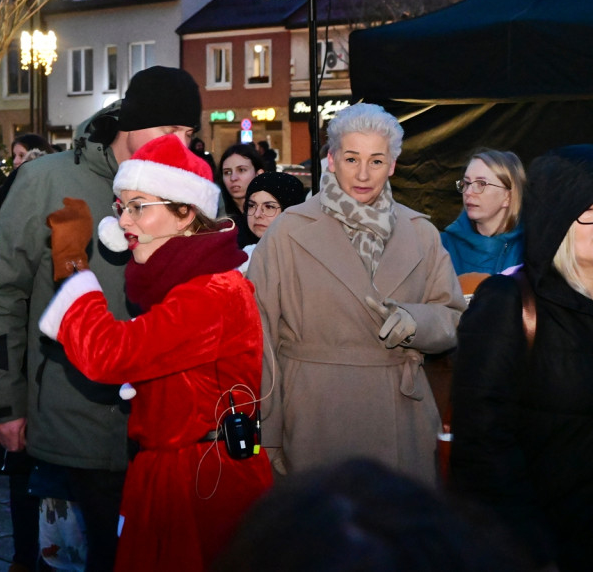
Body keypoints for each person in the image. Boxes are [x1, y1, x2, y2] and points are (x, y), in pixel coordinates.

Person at [0, 65, 202, 572]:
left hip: (162, 428)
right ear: (131, 122)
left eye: (189, 134)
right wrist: (3, 404)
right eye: (169, 130)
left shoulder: (188, 187)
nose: (181, 144)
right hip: (68, 423)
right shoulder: (47, 180)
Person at [38, 135, 272, 571]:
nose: (124, 220)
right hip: (178, 473)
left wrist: (73, 265)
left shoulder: (212, 292)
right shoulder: (183, 283)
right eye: (121, 206)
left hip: (204, 483)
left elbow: (110, 355)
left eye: (139, 205)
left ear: (185, 213)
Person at [246, 103, 465, 485]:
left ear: (393, 165)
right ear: (331, 159)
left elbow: (453, 315)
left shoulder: (422, 233)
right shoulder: (288, 231)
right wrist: (270, 430)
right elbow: (258, 336)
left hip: (401, 416)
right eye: (351, 158)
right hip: (314, 415)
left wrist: (417, 322)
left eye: (376, 161)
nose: (363, 174)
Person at [450, 144, 593, 571]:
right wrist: (529, 549)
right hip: (545, 543)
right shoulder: (509, 304)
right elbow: (482, 449)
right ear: (558, 215)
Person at [215, 458, 534, 572]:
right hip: (312, 405)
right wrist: (270, 437)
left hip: (397, 401)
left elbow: (447, 315)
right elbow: (267, 345)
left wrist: (415, 323)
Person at [441, 149, 526, 275]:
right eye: (467, 183)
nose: (468, 192)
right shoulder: (442, 246)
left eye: (481, 183)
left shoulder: (529, 250)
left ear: (508, 197)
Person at [238, 172, 305, 272]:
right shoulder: (245, 255)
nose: (257, 214)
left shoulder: (303, 260)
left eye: (269, 207)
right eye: (252, 205)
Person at [218, 144, 265, 247]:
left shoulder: (272, 212)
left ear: (258, 174)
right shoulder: (216, 215)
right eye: (227, 172)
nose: (233, 178)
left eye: (241, 170)